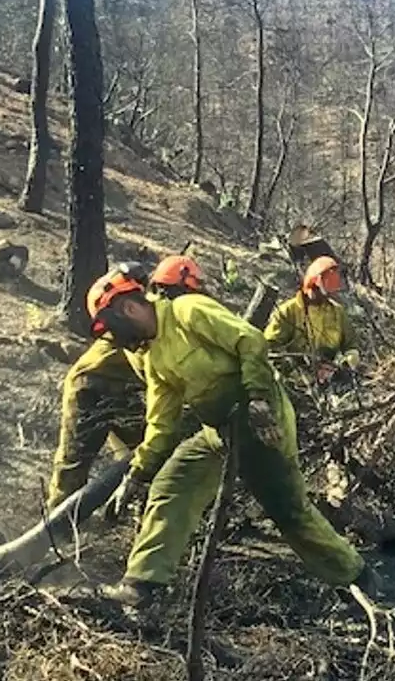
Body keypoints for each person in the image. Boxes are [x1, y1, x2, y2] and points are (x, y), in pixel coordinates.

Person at [88, 269, 375, 606]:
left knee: (289, 512)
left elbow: (250, 340)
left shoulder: (187, 310)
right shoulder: (154, 355)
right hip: (219, 431)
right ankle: (140, 586)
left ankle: (358, 576)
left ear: (127, 310)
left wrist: (256, 398)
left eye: (114, 330)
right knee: (173, 484)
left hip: (261, 420)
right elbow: (161, 423)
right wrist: (137, 475)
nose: (117, 340)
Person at [44, 257, 208, 511]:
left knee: (154, 455)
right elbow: (151, 369)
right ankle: (56, 530)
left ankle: (133, 513)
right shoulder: (143, 319)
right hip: (90, 386)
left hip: (127, 390)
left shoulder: (165, 314)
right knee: (73, 467)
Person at [265, 255, 361, 384]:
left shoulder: (337, 312)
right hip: (294, 380)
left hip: (329, 378)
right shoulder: (288, 311)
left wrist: (342, 367)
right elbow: (270, 349)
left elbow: (352, 347)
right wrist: (297, 375)